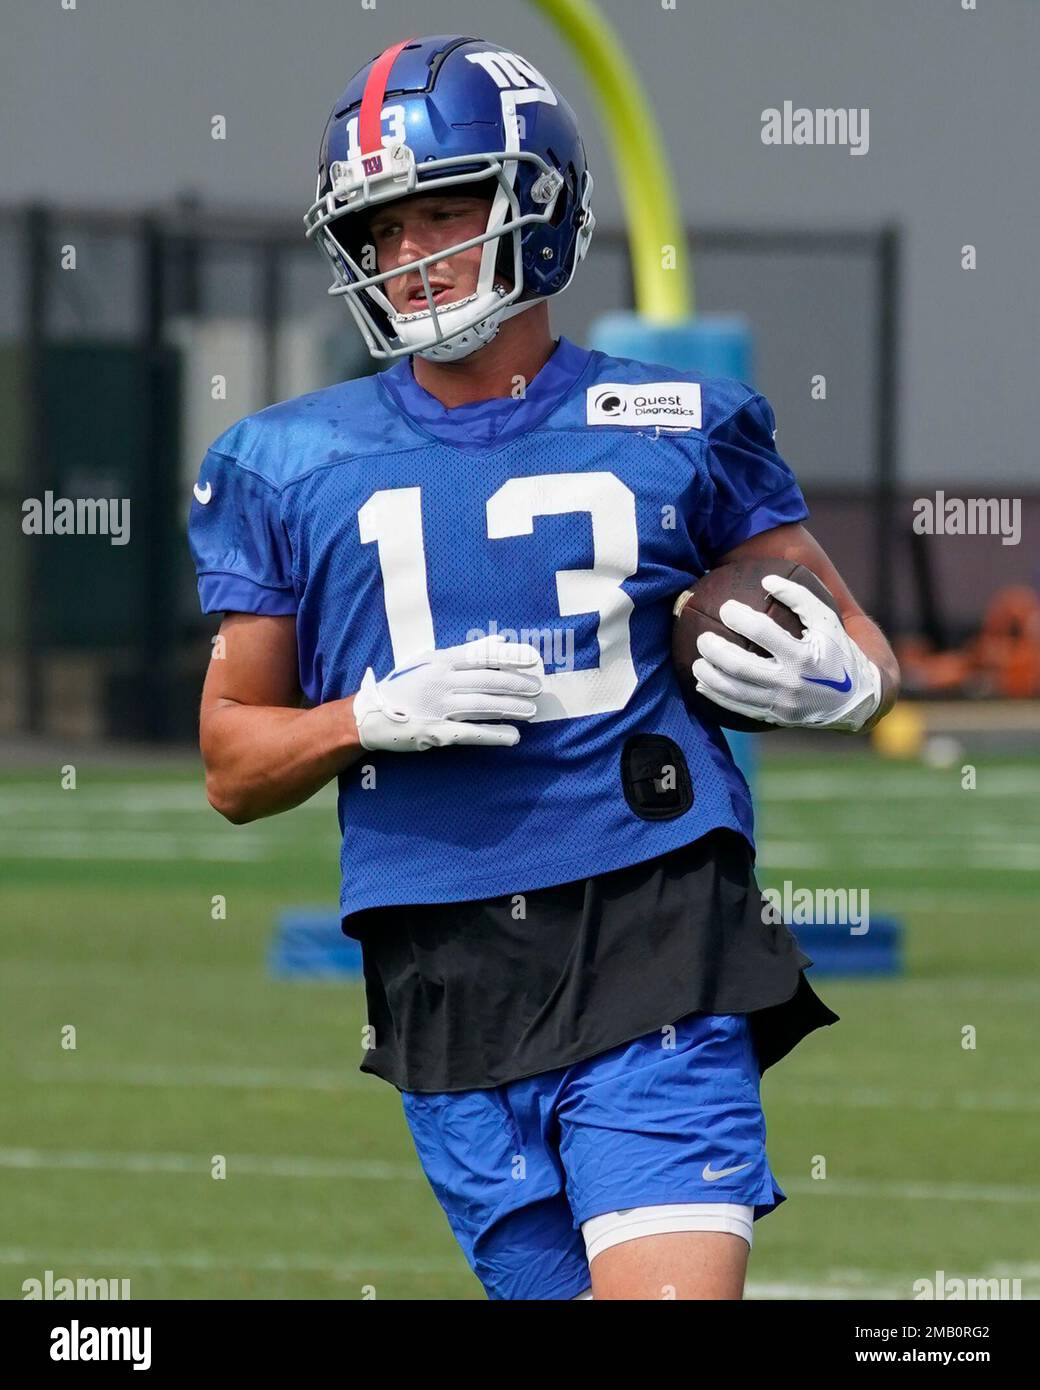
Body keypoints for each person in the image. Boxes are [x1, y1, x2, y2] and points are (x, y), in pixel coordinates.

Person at [188, 34, 899, 1301]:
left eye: (441, 211)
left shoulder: (683, 424)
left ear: (536, 206)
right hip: (441, 964)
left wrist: (845, 688)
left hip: (656, 925)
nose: (408, 258)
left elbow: (865, 646)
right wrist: (367, 715)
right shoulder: (282, 463)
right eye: (380, 229)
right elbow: (233, 764)